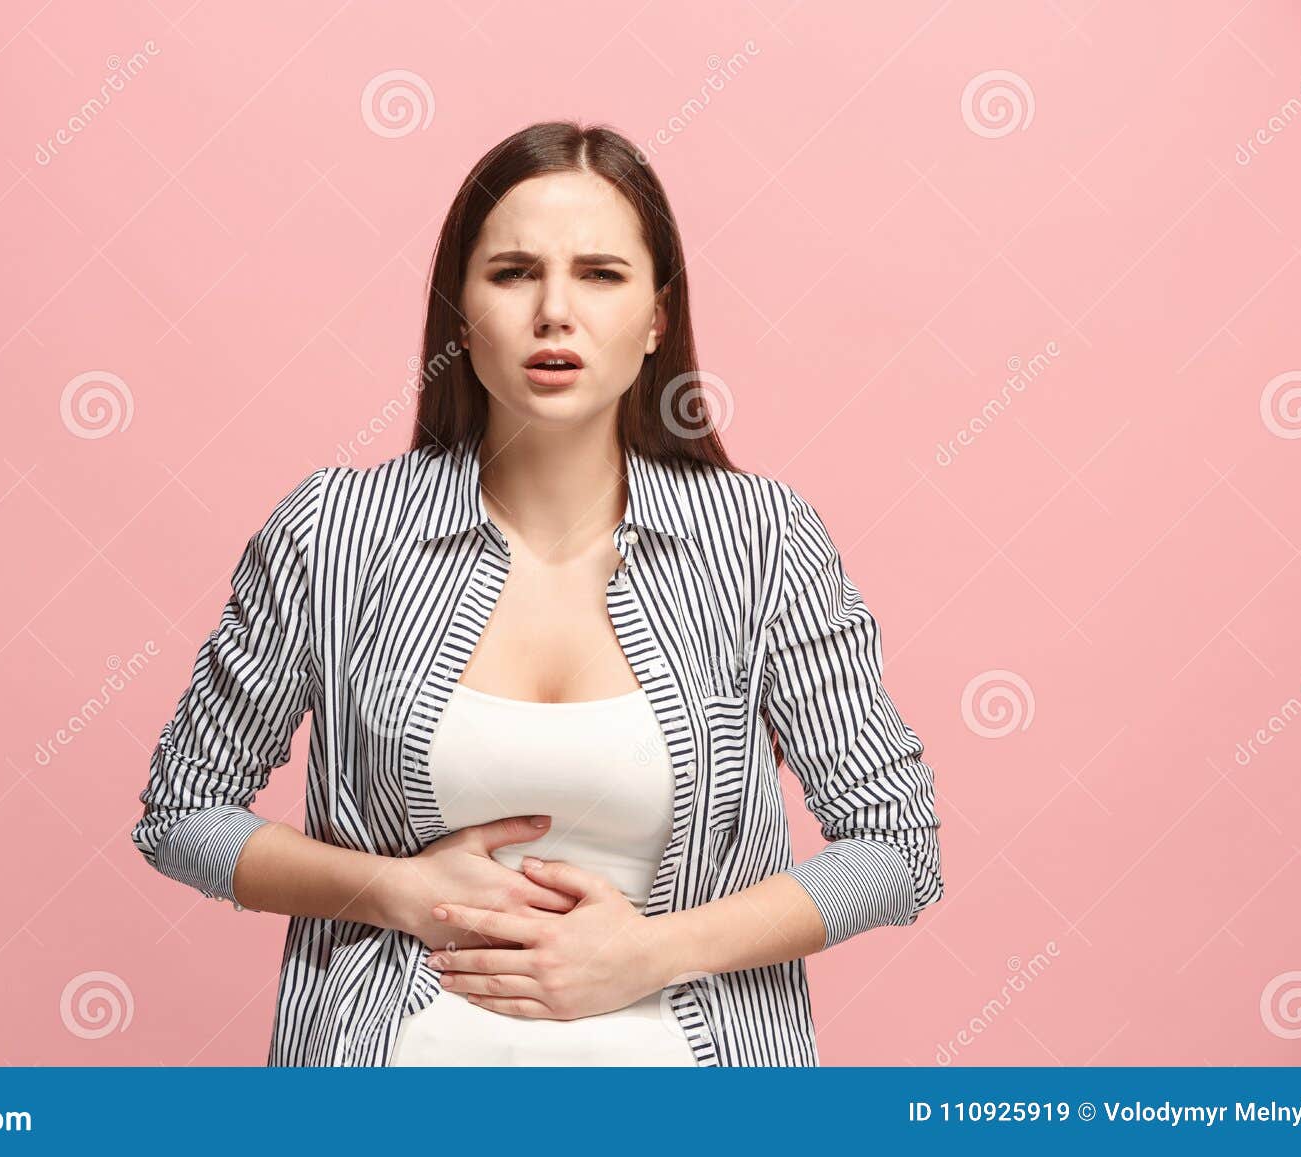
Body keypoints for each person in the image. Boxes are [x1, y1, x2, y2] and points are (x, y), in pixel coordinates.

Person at [131, 120, 944, 1067]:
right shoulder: (332, 532)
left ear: (656, 318)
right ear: (459, 310)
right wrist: (398, 892)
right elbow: (181, 813)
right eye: (514, 273)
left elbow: (896, 847)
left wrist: (648, 954)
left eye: (600, 273)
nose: (555, 311)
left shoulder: (763, 540)